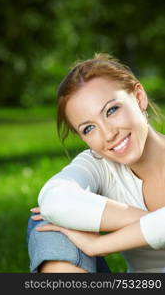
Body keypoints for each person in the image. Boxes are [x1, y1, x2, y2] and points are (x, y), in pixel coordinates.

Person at [27, 53, 165, 273]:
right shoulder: (99, 163)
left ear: (139, 98)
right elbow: (54, 200)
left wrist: (99, 244)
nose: (109, 134)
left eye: (112, 110)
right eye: (89, 128)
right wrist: (154, 223)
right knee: (47, 225)